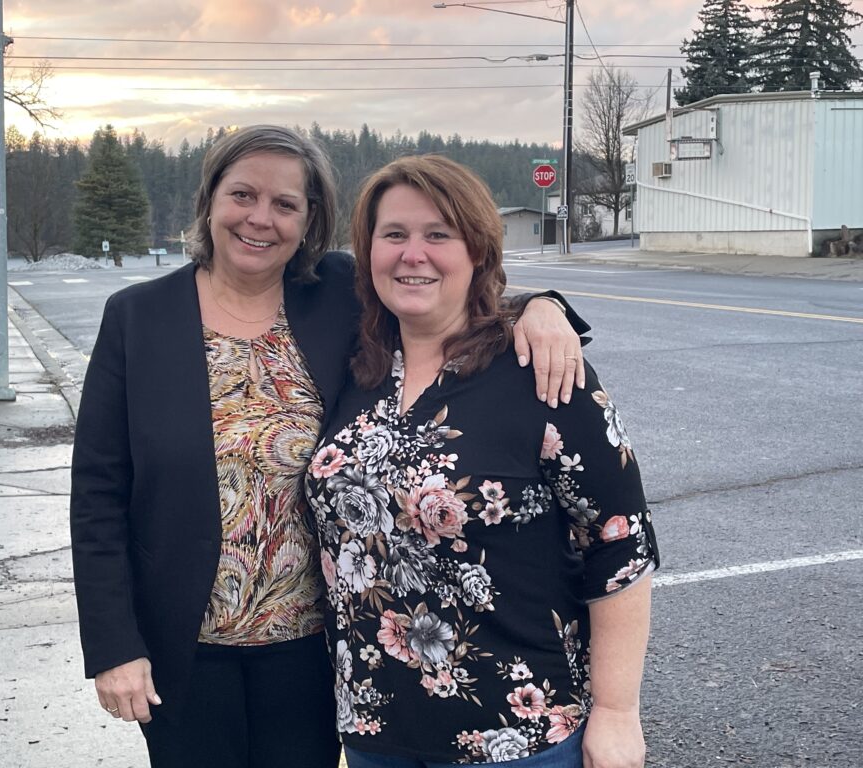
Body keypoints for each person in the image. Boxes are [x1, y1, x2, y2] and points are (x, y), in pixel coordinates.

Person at [70, 126, 591, 768]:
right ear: (209, 202)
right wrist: (115, 645)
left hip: (316, 650)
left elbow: (443, 293)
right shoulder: (138, 318)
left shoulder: (337, 295)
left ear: (309, 220)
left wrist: (541, 306)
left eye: (285, 204)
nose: (260, 218)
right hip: (183, 645)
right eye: (243, 195)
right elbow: (98, 496)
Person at [304, 155, 659, 768]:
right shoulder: (356, 370)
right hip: (374, 730)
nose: (413, 254)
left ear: (478, 251)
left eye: (439, 234)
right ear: (368, 252)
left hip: (515, 737)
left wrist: (617, 711)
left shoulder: (541, 372)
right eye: (394, 234)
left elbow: (620, 542)